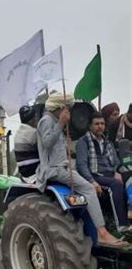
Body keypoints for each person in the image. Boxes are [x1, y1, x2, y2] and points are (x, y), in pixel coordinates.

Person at [36, 92, 127, 247]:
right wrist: (60, 124)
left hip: (64, 166)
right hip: (55, 169)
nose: (69, 112)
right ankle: (102, 233)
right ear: (59, 107)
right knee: (89, 188)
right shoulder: (47, 121)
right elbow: (46, 143)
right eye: (68, 108)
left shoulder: (55, 121)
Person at [76, 112, 130, 232]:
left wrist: (117, 171)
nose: (100, 126)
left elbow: (116, 162)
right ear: (90, 126)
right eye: (96, 124)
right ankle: (122, 225)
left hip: (110, 174)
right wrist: (92, 181)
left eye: (102, 123)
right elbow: (81, 165)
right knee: (116, 185)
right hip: (95, 175)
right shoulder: (83, 142)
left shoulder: (108, 143)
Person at [14, 105, 40, 179]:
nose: (37, 118)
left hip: (23, 171)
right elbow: (45, 150)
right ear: (31, 119)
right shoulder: (33, 133)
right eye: (35, 117)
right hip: (34, 170)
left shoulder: (19, 132)